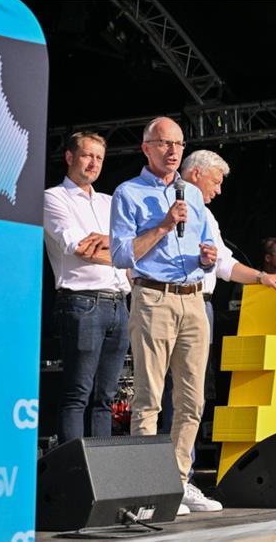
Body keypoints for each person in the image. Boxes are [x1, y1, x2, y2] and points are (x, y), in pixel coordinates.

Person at [160, 150, 276, 475]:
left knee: (193, 394)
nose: (219, 190)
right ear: (196, 174)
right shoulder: (161, 202)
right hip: (170, 302)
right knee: (169, 392)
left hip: (201, 305)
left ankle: (184, 475)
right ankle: (165, 477)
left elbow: (224, 264)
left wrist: (262, 277)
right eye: (216, 181)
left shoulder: (207, 216)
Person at [110, 117, 220, 515]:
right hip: (153, 298)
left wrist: (206, 259)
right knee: (148, 399)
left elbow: (205, 249)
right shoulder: (128, 193)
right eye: (164, 143)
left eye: (178, 143)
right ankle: (144, 488)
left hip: (193, 299)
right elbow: (121, 255)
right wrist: (163, 224)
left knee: (192, 400)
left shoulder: (192, 194)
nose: (173, 150)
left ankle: (177, 483)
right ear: (146, 148)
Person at [43, 132, 130, 446]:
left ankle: (102, 475)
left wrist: (113, 248)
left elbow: (135, 252)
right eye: (87, 155)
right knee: (77, 393)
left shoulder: (110, 203)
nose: (94, 163)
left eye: (99, 158)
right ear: (69, 157)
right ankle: (75, 472)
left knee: (105, 397)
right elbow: (80, 248)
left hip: (119, 304)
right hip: (82, 303)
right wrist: (117, 252)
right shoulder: (53, 198)